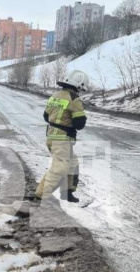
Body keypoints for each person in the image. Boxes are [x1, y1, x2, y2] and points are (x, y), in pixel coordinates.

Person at [35, 70, 89, 203]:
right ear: (79, 85)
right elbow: (79, 123)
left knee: (72, 163)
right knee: (59, 168)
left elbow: (46, 116)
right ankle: (41, 195)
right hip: (62, 140)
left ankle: (67, 192)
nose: (80, 91)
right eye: (81, 88)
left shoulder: (54, 95)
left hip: (51, 137)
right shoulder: (74, 99)